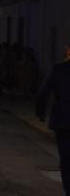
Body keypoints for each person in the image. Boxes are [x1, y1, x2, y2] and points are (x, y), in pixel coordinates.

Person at [36, 44, 70, 196]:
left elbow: (44, 92)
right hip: (63, 120)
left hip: (63, 121)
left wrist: (40, 112)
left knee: (66, 158)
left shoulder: (58, 69)